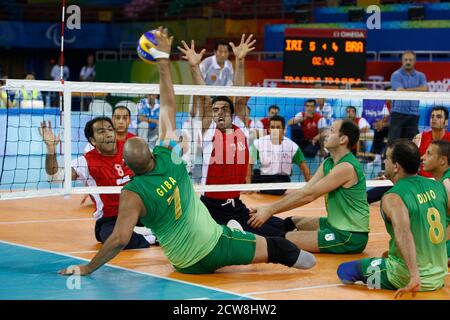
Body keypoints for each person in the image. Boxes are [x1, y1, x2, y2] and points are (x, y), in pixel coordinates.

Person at [58, 28, 316, 277]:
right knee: (279, 247)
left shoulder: (131, 193)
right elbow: (170, 102)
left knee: (273, 230)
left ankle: (240, 230)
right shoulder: (170, 156)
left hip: (184, 262)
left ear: (127, 166)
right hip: (216, 239)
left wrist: (87, 268)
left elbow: (118, 239)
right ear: (150, 151)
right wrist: (163, 60)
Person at [178, 34, 286, 238]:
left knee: (277, 230)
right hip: (210, 205)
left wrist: (240, 60)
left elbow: (239, 95)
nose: (219, 113)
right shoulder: (207, 130)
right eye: (215, 110)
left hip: (236, 204)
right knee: (205, 236)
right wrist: (194, 67)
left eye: (224, 109)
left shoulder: (240, 128)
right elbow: (203, 96)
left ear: (232, 113)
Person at [337, 140, 449, 297]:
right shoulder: (437, 186)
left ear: (396, 166)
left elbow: (403, 231)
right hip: (438, 277)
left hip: (406, 277)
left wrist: (414, 276)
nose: (384, 161)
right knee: (386, 255)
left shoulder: (393, 196)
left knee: (344, 271)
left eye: (387, 158)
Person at [248, 119, 370, 254]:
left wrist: (270, 210)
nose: (325, 134)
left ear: (343, 139)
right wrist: (266, 208)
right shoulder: (328, 163)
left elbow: (309, 196)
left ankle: (244, 239)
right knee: (290, 222)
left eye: (331, 131)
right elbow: (305, 190)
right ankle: (244, 228)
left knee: (282, 240)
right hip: (333, 224)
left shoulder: (346, 167)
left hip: (350, 235)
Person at [39, 116, 155, 249]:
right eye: (101, 131)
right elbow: (55, 177)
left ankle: (138, 232)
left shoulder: (129, 148)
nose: (108, 134)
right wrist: (51, 149)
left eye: (110, 129)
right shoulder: (86, 161)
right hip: (111, 218)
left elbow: (155, 165)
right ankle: (151, 237)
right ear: (93, 141)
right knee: (111, 238)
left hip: (140, 212)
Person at [251, 115, 311, 195]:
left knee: (277, 191)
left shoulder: (292, 146)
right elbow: (249, 163)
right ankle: (260, 187)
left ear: (283, 130)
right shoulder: (259, 143)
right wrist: (248, 186)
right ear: (268, 129)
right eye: (272, 127)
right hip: (264, 175)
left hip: (281, 178)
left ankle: (261, 188)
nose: (275, 130)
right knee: (251, 176)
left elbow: (304, 167)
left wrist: (310, 186)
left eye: (278, 127)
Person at [421, 140, 450, 267]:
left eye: (429, 154)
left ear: (443, 160)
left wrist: (439, 244)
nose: (423, 157)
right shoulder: (440, 183)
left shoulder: (446, 183)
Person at [388, 51, 428, 142]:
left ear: (415, 61)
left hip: (414, 114)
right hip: (398, 113)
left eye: (410, 60)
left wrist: (406, 90)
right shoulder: (396, 75)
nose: (408, 62)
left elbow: (425, 89)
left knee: (411, 143)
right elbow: (400, 91)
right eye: (406, 59)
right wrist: (417, 90)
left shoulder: (421, 76)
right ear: (402, 61)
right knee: (393, 142)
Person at [413, 106, 450, 177]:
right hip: (422, 180)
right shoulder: (419, 137)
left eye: (438, 116)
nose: (434, 118)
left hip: (444, 181)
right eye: (432, 116)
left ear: (446, 122)